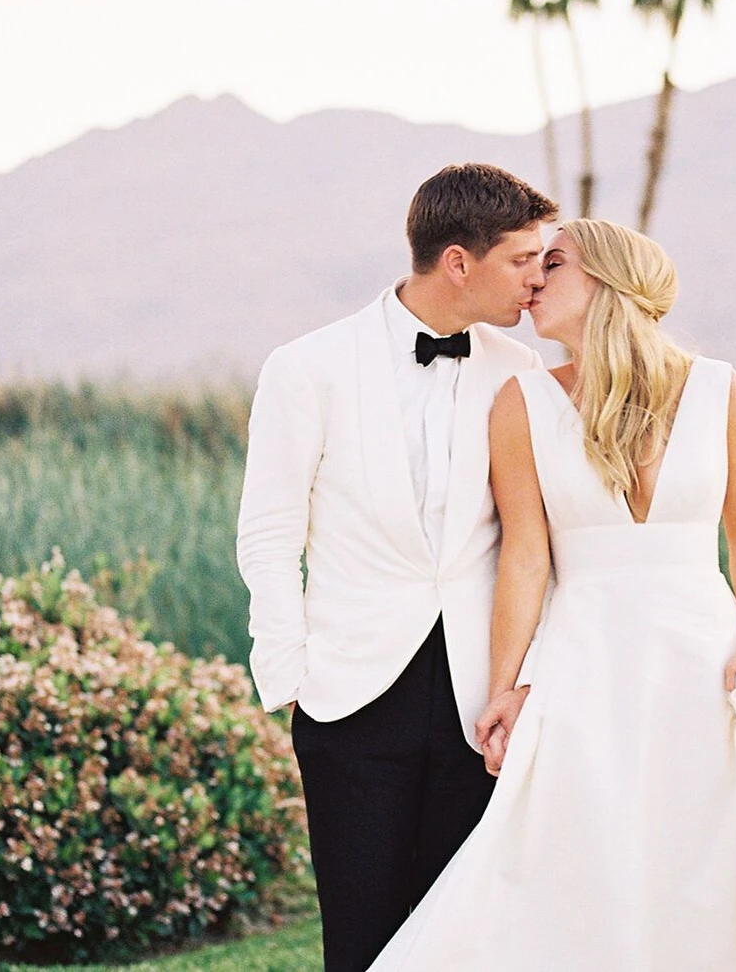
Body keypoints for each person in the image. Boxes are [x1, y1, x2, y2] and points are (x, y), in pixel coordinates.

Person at [367, 219, 736, 971]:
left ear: (605, 282)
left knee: (711, 838)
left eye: (552, 264)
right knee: (586, 844)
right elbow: (525, 559)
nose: (532, 280)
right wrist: (505, 686)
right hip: (585, 658)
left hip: (703, 655)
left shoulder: (719, 389)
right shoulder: (519, 404)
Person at [235, 163, 557, 972]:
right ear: (458, 261)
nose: (536, 277)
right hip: (350, 696)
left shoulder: (520, 374)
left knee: (466, 936)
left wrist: (526, 681)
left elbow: (536, 544)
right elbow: (269, 534)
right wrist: (291, 673)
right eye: (521, 259)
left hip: (480, 700)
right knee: (362, 937)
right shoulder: (305, 367)